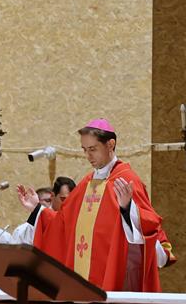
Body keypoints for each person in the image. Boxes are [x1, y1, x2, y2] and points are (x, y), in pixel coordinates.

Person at [16, 118, 164, 292]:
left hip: (119, 280)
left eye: (93, 149)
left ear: (110, 144)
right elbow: (62, 224)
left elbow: (148, 232)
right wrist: (36, 209)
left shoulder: (127, 180)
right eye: (84, 150)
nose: (88, 156)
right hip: (83, 281)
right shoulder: (85, 185)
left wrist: (127, 208)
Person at [13, 177, 76, 245]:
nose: (68, 204)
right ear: (52, 196)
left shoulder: (76, 223)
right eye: (63, 199)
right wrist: (35, 209)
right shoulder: (34, 222)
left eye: (71, 201)